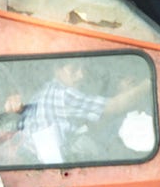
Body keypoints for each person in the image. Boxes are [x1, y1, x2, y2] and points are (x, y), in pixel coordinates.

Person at [21, 60, 151, 165]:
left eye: (83, 69)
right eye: (74, 69)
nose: (81, 75)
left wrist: (121, 94)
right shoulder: (64, 95)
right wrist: (150, 82)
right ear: (57, 70)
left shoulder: (43, 93)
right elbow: (115, 106)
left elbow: (93, 125)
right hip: (56, 165)